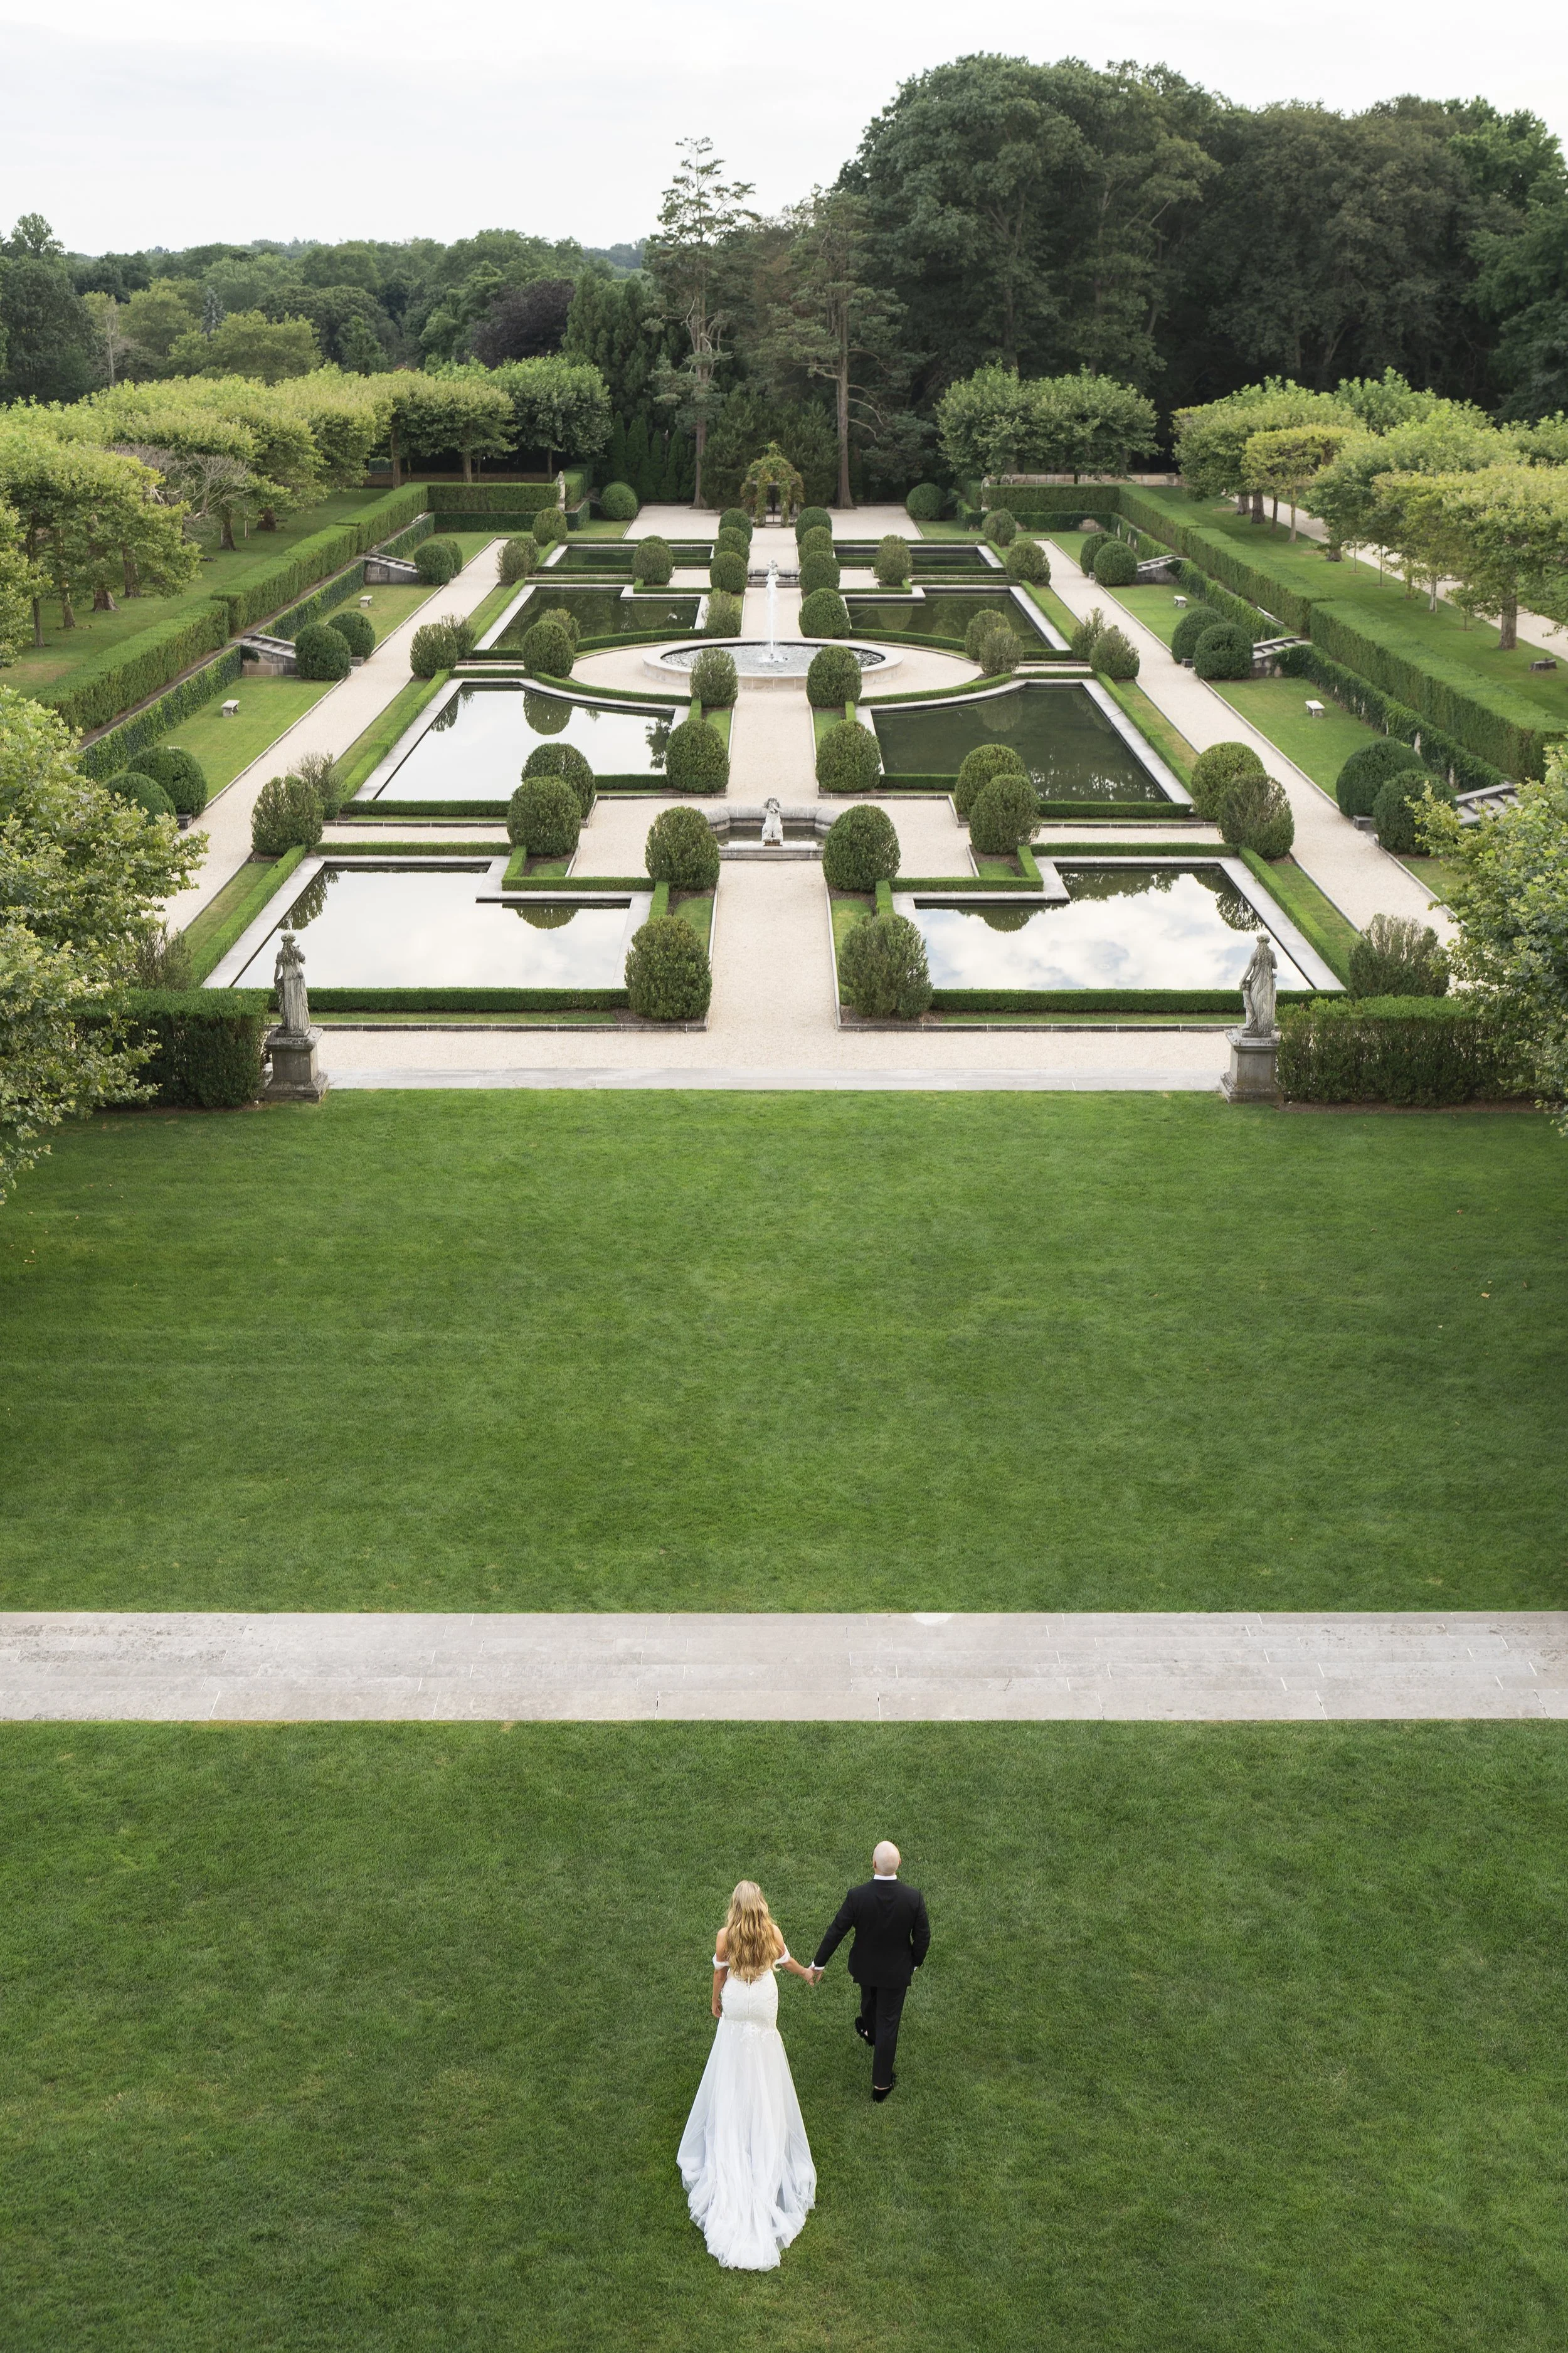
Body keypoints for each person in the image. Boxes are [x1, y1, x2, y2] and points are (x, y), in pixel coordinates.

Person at [677, 1881, 818, 2269]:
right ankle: (764, 2119)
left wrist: (714, 2002)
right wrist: (806, 1973)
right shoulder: (771, 1932)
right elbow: (786, 1962)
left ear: (735, 1907)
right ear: (761, 1906)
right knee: (766, 2057)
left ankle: (735, 2119)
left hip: (739, 2005)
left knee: (732, 2057)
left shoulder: (726, 1936)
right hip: (763, 2005)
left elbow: (720, 1976)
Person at [809, 1841, 930, 2102]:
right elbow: (923, 1938)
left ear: (873, 1864)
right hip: (897, 1972)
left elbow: (836, 1930)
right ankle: (881, 2084)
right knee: (887, 2021)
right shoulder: (913, 1898)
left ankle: (871, 2037)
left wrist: (819, 1963)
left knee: (870, 2002)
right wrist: (915, 1963)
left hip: (865, 1969)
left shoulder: (857, 1896)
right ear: (899, 1864)